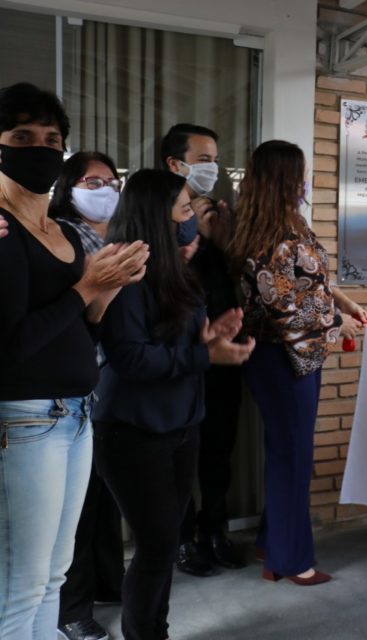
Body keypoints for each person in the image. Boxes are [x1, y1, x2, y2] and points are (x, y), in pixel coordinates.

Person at [0, 82, 148, 639]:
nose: (38, 148)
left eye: (51, 138)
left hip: (76, 414)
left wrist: (107, 290)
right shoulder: (2, 229)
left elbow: (76, 327)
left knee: (52, 578)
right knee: (19, 585)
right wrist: (87, 288)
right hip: (24, 421)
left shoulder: (62, 230)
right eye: (21, 136)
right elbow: (11, 345)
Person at [93, 169, 254, 640]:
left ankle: (154, 629)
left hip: (182, 423)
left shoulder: (179, 270)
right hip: (132, 431)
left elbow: (175, 342)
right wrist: (203, 353)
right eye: (184, 209)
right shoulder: (123, 272)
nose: (191, 218)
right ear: (154, 217)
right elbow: (129, 358)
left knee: (163, 544)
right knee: (158, 544)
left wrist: (207, 336)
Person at [229, 140, 367, 585]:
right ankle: (290, 562)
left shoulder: (290, 223)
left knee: (287, 452)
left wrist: (345, 302)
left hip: (299, 355)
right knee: (292, 455)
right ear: (286, 179)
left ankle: (273, 542)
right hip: (280, 356)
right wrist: (337, 326)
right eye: (301, 174)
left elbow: (315, 281)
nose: (306, 182)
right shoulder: (269, 236)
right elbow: (282, 305)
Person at [160, 123, 246, 576]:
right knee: (180, 458)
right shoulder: (161, 218)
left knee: (219, 449)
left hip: (222, 352)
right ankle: (181, 540)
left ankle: (216, 529)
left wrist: (222, 242)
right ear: (175, 164)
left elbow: (232, 281)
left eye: (215, 158)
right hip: (179, 358)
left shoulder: (217, 215)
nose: (212, 167)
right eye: (203, 159)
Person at [49, 151, 126, 640]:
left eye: (111, 181)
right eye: (91, 181)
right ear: (69, 186)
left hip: (111, 386)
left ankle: (107, 581)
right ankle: (71, 610)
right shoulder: (59, 235)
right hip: (71, 386)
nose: (103, 189)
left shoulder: (115, 235)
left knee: (102, 496)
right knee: (74, 510)